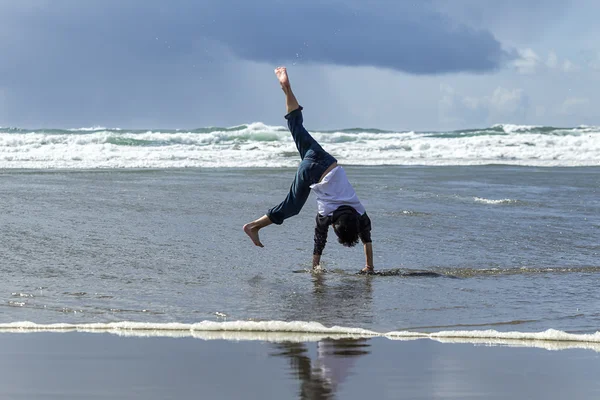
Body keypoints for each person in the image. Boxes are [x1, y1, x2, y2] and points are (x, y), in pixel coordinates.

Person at [243, 67, 374, 274]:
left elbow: (367, 238)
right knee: (292, 206)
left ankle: (286, 87)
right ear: (334, 226)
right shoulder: (326, 214)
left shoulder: (359, 211)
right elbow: (319, 241)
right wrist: (315, 268)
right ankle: (254, 226)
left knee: (297, 126)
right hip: (312, 172)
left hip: (325, 159)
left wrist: (369, 265)